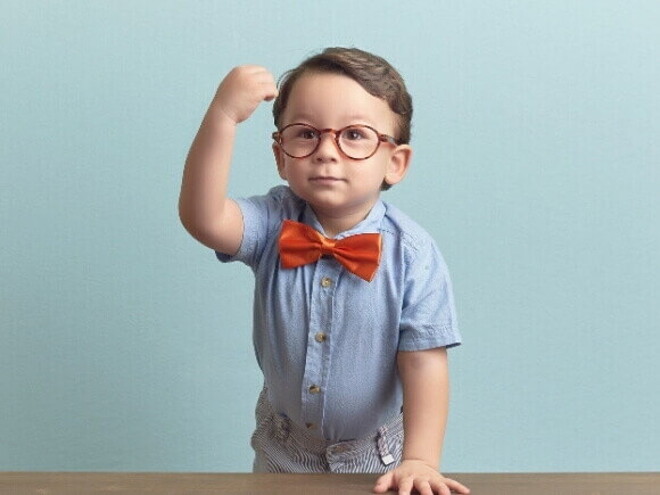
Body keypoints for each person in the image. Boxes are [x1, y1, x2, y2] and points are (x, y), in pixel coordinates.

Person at [179, 47, 470, 495]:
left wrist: (420, 459)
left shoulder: (413, 254)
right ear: (280, 155)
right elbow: (204, 218)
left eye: (355, 135)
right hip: (283, 451)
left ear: (395, 161)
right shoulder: (274, 223)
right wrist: (222, 117)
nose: (326, 152)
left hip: (380, 458)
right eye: (306, 133)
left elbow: (425, 363)